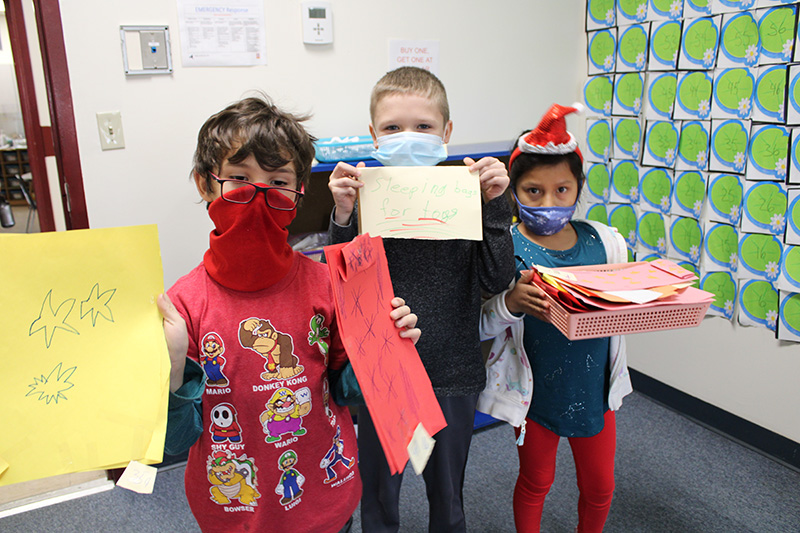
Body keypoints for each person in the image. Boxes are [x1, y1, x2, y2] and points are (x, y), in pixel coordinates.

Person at [156, 96, 421, 533]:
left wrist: (385, 348)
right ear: (206, 184)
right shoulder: (181, 306)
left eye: (277, 181)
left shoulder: (326, 285)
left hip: (326, 503)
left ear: (299, 192)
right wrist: (172, 373)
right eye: (239, 178)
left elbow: (348, 393)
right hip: (234, 512)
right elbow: (174, 442)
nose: (258, 196)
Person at [327, 66, 515, 532]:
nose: (407, 136)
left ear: (446, 132)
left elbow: (497, 276)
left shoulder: (465, 195)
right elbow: (346, 286)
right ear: (373, 135)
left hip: (451, 371)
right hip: (380, 374)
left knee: (447, 496)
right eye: (392, 128)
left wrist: (494, 206)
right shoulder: (366, 194)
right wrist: (344, 215)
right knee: (378, 495)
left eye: (423, 127)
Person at [477, 103, 633, 533]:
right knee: (536, 481)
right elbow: (478, 325)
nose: (549, 202)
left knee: (601, 486)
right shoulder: (503, 247)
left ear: (579, 187)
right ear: (513, 191)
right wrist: (510, 302)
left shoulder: (605, 242)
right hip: (535, 395)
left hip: (595, 391)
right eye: (533, 191)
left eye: (562, 190)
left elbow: (626, 305)